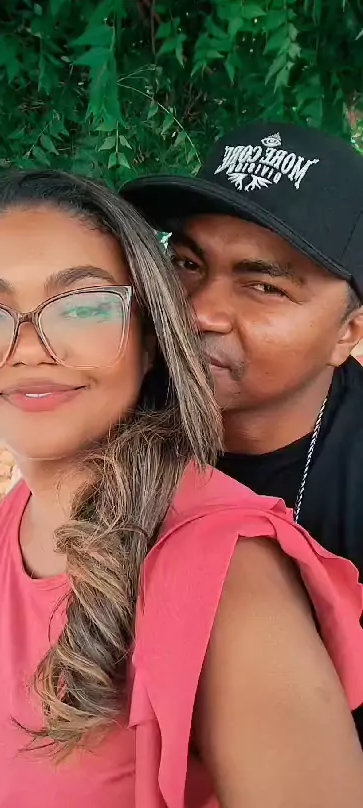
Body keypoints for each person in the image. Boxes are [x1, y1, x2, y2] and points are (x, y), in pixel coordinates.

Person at [0, 170, 362, 808]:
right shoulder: (12, 524)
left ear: (150, 335)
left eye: (82, 307)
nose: (28, 347)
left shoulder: (228, 575)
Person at [120, 121, 363, 576]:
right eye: (187, 263)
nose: (199, 313)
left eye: (264, 287)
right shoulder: (116, 411)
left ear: (346, 332)